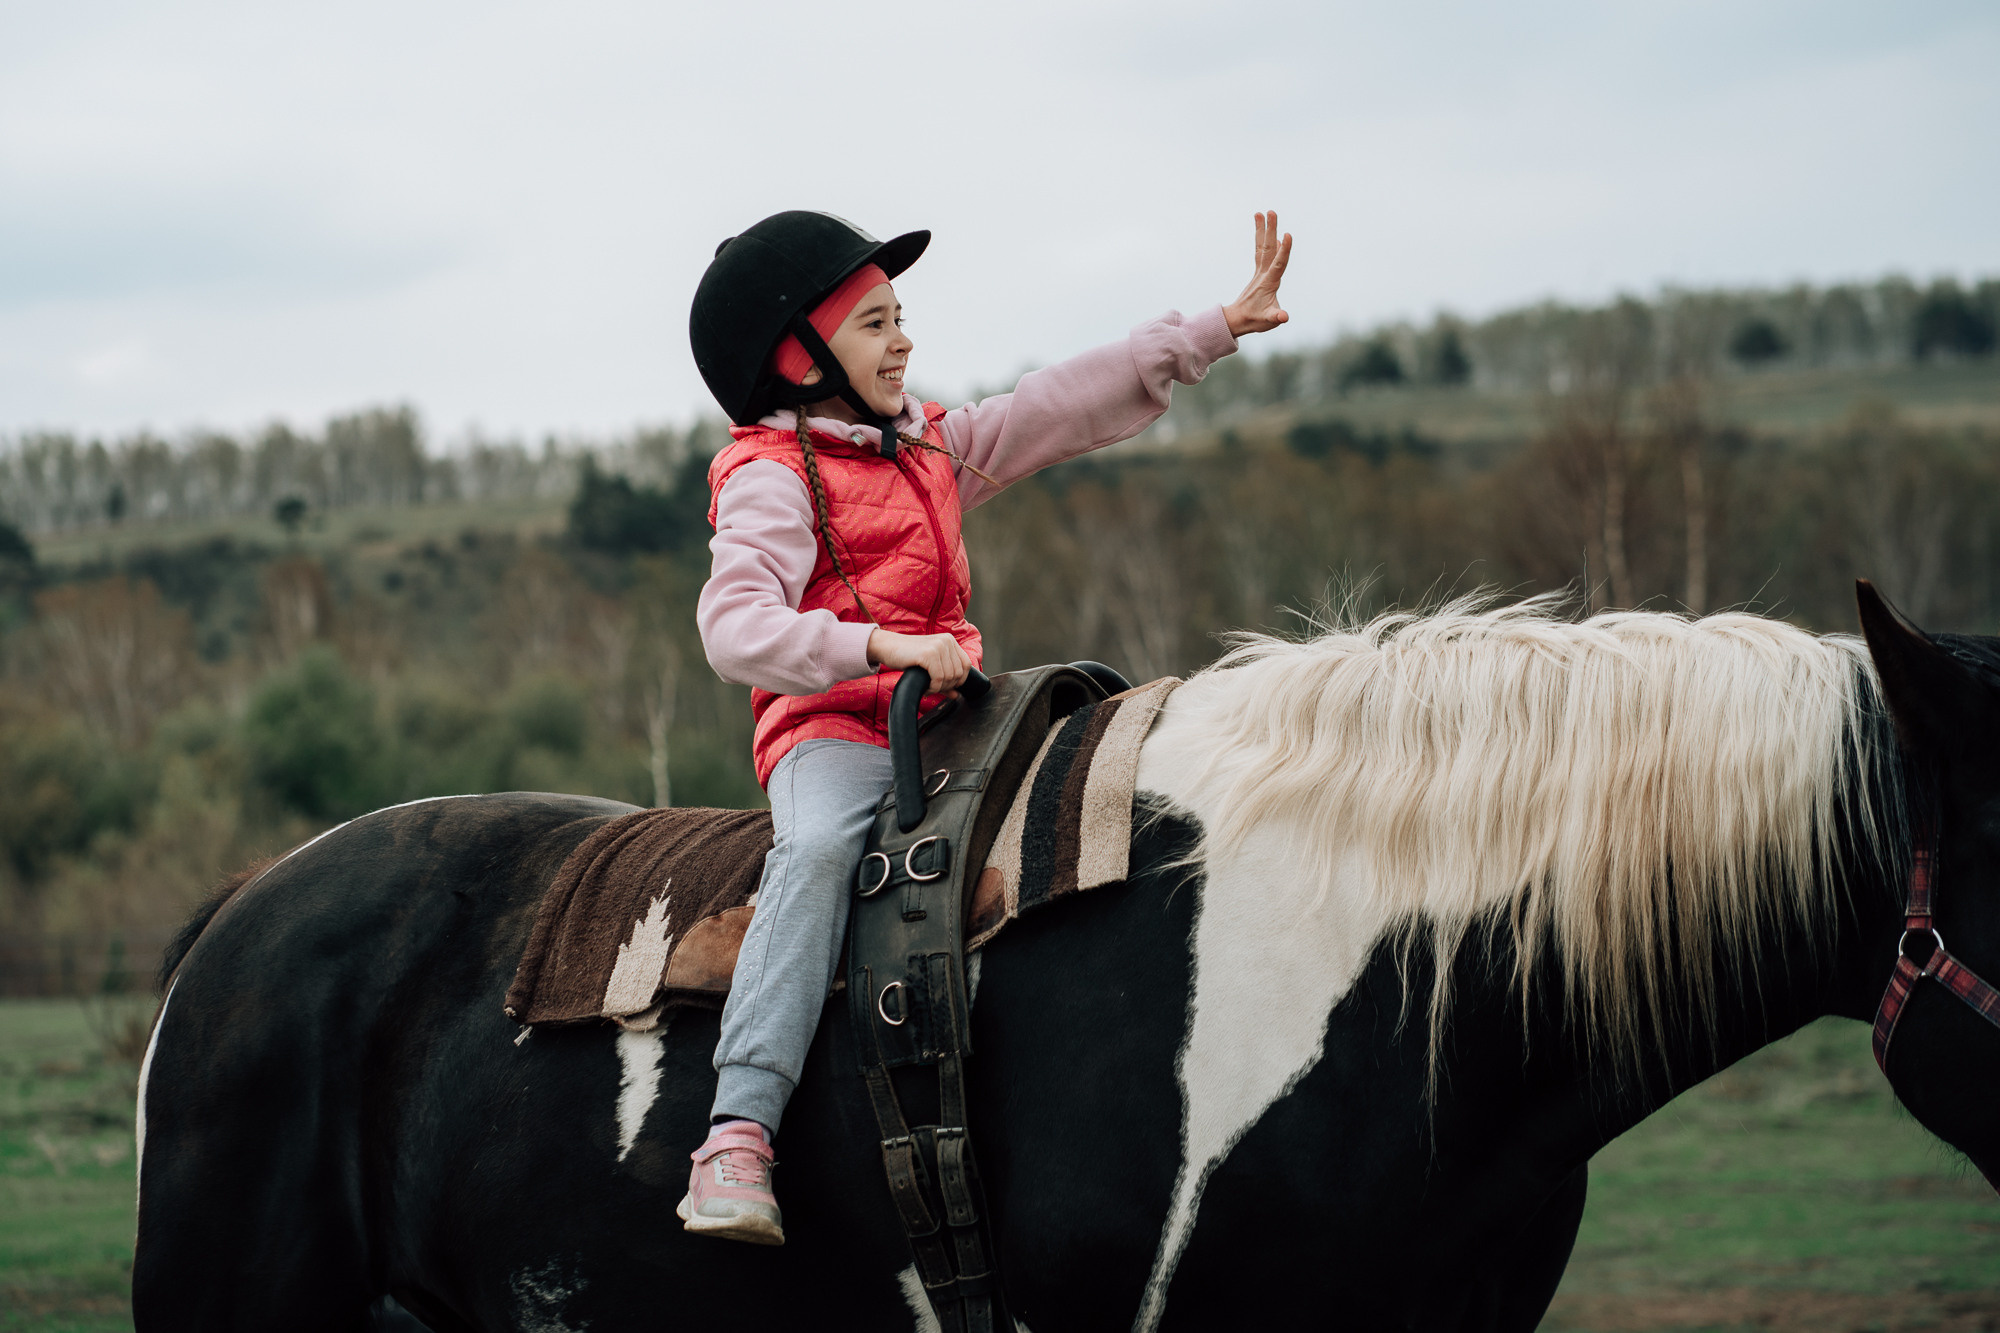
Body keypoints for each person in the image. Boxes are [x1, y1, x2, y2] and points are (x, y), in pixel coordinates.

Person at [680, 208, 1294, 1244]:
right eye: (873, 323)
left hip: (950, 726)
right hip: (833, 736)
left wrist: (1212, 328)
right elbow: (733, 627)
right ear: (798, 355)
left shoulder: (927, 449)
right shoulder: (769, 477)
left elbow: (1053, 404)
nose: (902, 340)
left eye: (898, 316)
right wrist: (875, 650)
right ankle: (736, 1133)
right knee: (821, 852)